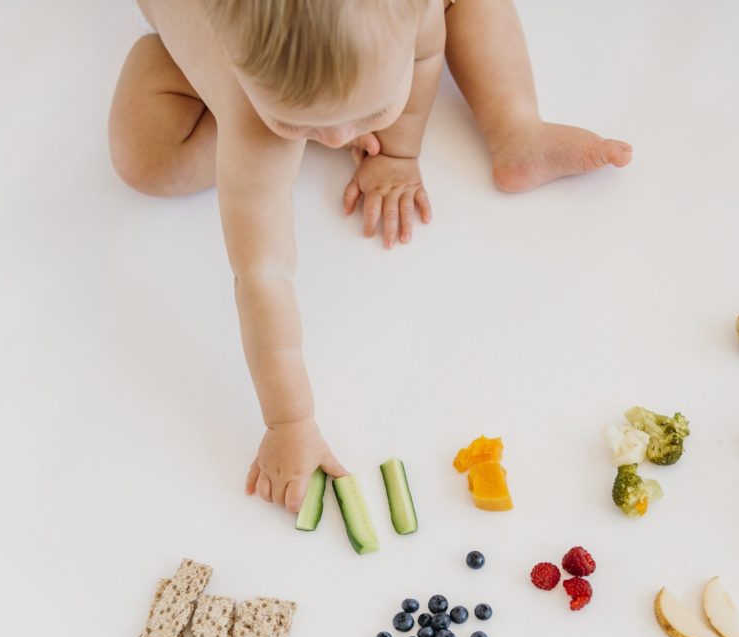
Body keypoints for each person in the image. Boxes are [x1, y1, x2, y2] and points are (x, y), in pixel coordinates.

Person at [108, 0, 633, 513]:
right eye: (301, 122)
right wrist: (289, 422)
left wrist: (400, 151)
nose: (342, 139)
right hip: (217, 61)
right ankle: (274, 92)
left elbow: (426, 55)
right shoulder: (252, 120)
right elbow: (261, 274)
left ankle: (517, 127)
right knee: (146, 160)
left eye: (368, 113)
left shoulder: (416, 13)